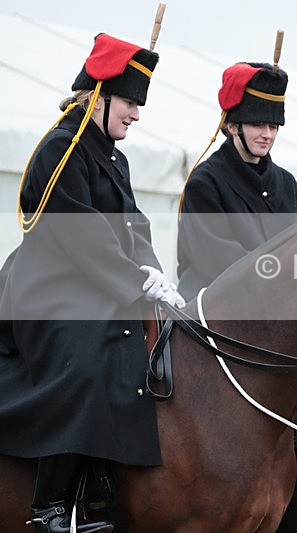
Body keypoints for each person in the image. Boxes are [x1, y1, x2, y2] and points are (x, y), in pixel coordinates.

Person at [0, 33, 184, 532]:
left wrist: (153, 273)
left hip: (98, 285)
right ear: (98, 97)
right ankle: (50, 507)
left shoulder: (114, 157)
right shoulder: (61, 148)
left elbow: (135, 225)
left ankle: (101, 490)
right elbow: (80, 236)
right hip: (49, 289)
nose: (136, 115)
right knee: (86, 360)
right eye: (129, 102)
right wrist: (133, 281)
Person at [177, 61, 297, 301]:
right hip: (213, 313)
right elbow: (217, 260)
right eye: (257, 124)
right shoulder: (205, 183)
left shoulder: (290, 187)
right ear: (232, 125)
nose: (267, 135)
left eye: (273, 126)